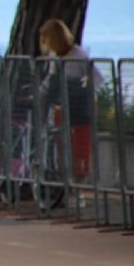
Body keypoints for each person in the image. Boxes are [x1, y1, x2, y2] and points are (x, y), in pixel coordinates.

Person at [38, 19, 103, 184]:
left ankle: (78, 183)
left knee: (80, 149)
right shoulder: (54, 56)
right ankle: (65, 183)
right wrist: (39, 92)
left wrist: (83, 90)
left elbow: (97, 78)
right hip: (61, 108)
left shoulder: (79, 55)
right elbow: (51, 78)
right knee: (61, 146)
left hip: (80, 110)